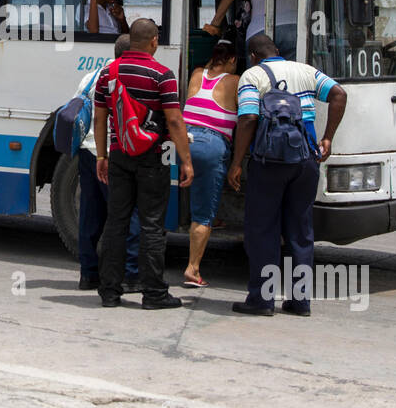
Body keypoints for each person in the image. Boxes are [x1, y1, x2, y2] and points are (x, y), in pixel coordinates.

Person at [227, 33, 347, 317]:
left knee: (263, 231)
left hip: (268, 162)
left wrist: (236, 163)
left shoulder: (252, 76)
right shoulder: (304, 70)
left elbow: (248, 119)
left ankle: (262, 300)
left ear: (253, 55)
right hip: (305, 159)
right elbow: (339, 94)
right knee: (301, 232)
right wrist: (328, 137)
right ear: (278, 51)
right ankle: (300, 301)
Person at [93, 18, 194, 309]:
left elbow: (100, 118)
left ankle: (109, 292)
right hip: (154, 155)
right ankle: (154, 294)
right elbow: (174, 120)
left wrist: (102, 156)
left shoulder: (107, 73)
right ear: (153, 42)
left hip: (119, 154)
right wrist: (185, 161)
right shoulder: (163, 74)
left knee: (116, 223)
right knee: (151, 225)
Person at [75, 35, 142, 292]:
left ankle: (88, 273)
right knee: (126, 215)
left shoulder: (92, 75)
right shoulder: (130, 77)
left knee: (90, 215)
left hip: (87, 151)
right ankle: (129, 273)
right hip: (113, 154)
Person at [180, 38, 241, 288]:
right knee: (203, 213)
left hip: (185, 142)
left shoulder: (196, 74)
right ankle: (193, 269)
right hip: (210, 144)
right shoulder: (236, 82)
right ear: (233, 60)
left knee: (199, 196)